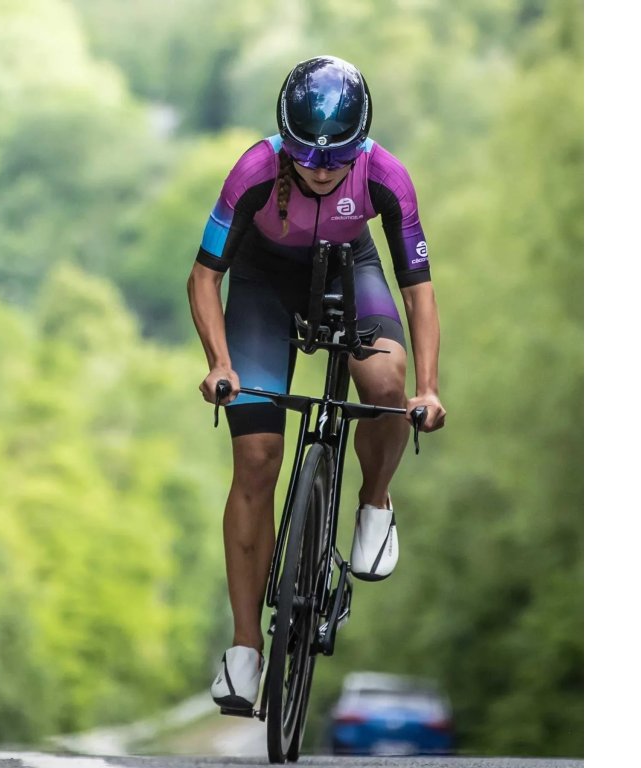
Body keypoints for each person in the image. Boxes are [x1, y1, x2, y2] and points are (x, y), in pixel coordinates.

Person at [187, 55, 447, 711]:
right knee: (256, 458)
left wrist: (428, 387)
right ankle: (246, 649)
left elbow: (417, 290)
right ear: (284, 139)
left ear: (362, 142)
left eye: (337, 159)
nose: (323, 170)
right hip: (262, 285)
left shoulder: (386, 176)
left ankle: (375, 502)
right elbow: (204, 277)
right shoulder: (252, 171)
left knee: (384, 382)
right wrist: (219, 363)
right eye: (306, 157)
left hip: (349, 270)